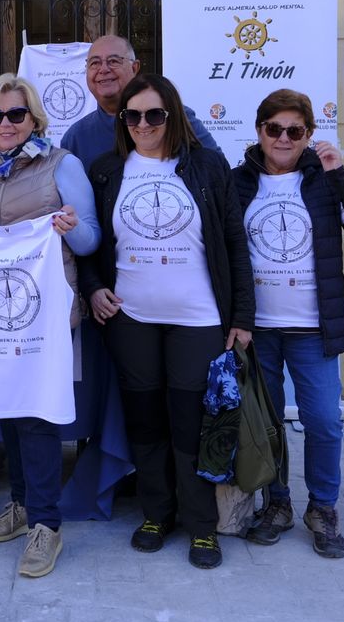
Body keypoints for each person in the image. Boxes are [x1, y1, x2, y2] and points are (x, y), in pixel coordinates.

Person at [79, 73, 253, 569]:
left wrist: (242, 315)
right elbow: (90, 242)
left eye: (154, 114)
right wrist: (94, 288)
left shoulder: (208, 166)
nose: (142, 124)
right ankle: (157, 513)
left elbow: (234, 243)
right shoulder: (106, 170)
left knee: (191, 423)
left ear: (172, 116)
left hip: (198, 318)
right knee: (145, 421)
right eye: (132, 115)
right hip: (131, 318)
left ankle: (202, 525)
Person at [0, 73, 98, 579]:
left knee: (36, 414)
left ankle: (46, 524)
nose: (4, 124)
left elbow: (92, 238)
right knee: (7, 408)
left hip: (46, 313)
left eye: (15, 114)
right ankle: (21, 504)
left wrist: (71, 229)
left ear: (34, 117)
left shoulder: (62, 164)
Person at [231, 89, 344, 559]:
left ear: (309, 134)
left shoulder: (325, 180)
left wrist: (338, 173)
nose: (283, 138)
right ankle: (277, 503)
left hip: (313, 327)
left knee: (323, 421)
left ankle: (323, 507)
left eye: (294, 130)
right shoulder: (238, 182)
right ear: (259, 131)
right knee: (268, 423)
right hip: (258, 329)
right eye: (274, 128)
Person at [59, 35, 217, 167]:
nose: (104, 69)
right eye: (95, 63)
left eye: (113, 61)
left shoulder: (172, 116)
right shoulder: (76, 137)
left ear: (134, 68)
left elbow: (216, 170)